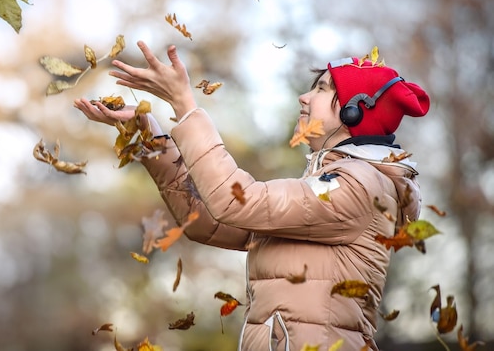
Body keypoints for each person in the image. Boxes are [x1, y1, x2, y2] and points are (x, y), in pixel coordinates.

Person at [74, 41, 430, 351]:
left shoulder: (358, 186)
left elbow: (237, 201)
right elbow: (208, 220)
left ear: (356, 110)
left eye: (322, 89)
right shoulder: (332, 183)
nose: (304, 97)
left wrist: (185, 104)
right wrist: (147, 132)